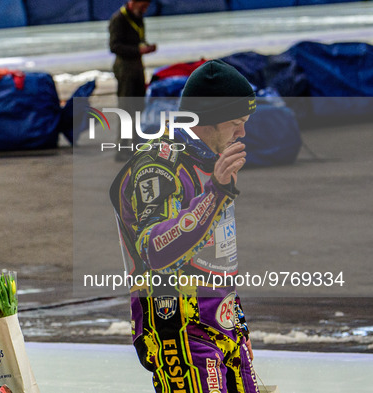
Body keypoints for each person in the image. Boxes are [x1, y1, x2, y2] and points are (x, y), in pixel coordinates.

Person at [109, 60, 260, 393]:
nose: (242, 133)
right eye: (237, 123)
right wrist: (216, 193)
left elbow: (219, 253)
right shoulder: (157, 166)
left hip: (223, 321)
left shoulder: (208, 158)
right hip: (179, 326)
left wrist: (240, 325)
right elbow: (155, 250)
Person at [109, 0, 157, 161]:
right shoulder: (119, 19)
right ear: (134, 2)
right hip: (125, 70)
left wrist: (145, 47)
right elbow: (114, 46)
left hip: (137, 68)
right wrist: (138, 50)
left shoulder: (138, 17)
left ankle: (137, 145)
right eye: (143, 5)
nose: (145, 9)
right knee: (126, 109)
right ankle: (122, 149)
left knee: (139, 108)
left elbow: (138, 38)